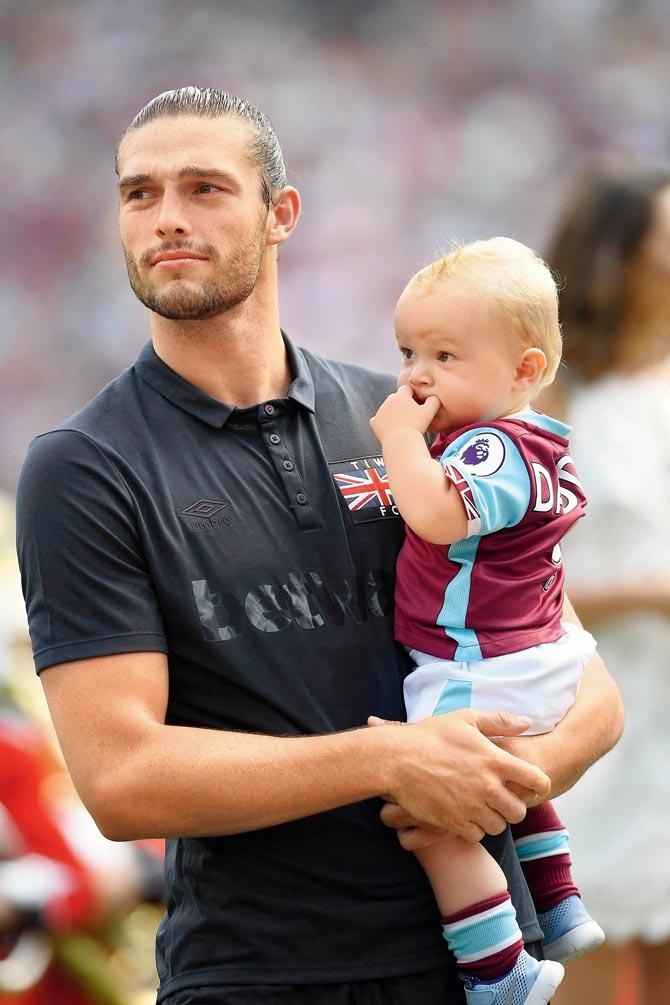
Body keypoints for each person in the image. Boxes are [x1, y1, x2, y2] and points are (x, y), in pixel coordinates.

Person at [15, 87, 623, 1005]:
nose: (167, 218)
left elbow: (580, 672)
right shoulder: (84, 466)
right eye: (139, 194)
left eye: (204, 188)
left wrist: (506, 775)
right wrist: (393, 761)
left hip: (487, 962)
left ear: (281, 215)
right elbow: (123, 778)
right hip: (264, 972)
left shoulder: (411, 415)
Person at [369, 238, 605, 1005]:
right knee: (510, 771)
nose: (416, 375)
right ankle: (559, 899)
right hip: (533, 656)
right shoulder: (541, 443)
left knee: (436, 819)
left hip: (476, 658)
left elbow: (438, 515)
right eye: (408, 350)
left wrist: (402, 440)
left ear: (525, 370)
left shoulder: (490, 448)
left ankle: (500, 969)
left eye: (445, 354)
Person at [537, 164, 670, 1005]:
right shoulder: (555, 393)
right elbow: (517, 566)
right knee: (584, 931)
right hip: (596, 701)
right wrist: (650, 592)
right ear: (620, 256)